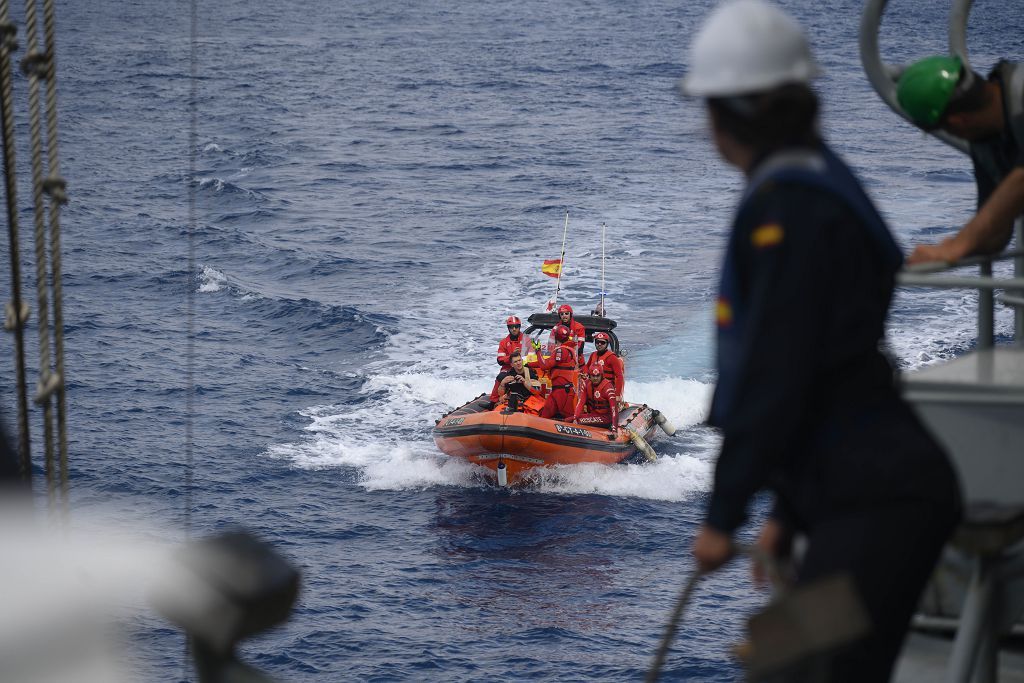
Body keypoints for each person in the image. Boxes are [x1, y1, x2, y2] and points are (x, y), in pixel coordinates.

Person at [679, 1, 962, 679]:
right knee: (780, 664)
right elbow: (827, 369)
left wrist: (724, 516)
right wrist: (787, 508)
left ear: (732, 114)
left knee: (800, 670)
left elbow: (777, 375)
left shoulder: (789, 207)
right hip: (856, 493)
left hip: (878, 501)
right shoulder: (815, 182)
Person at [896, 56, 1024, 264]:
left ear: (958, 122)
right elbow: (995, 234)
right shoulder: (989, 142)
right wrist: (944, 253)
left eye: (942, 128)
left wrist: (958, 246)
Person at [529, 324, 577, 420]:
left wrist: (538, 350)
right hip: (558, 391)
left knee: (570, 419)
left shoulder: (561, 351)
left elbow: (544, 365)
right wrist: (528, 364)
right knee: (543, 417)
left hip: (563, 392)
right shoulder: (568, 350)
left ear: (556, 337)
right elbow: (548, 363)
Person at [570, 364, 618, 436]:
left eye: (598, 376)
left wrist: (614, 429)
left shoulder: (608, 387)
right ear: (589, 376)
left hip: (605, 418)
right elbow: (581, 402)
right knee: (570, 419)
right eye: (593, 376)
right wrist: (575, 417)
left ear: (602, 375)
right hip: (593, 415)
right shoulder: (586, 384)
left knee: (579, 420)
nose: (595, 378)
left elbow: (614, 409)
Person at [489, 315, 524, 404]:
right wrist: (511, 356)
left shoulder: (526, 340)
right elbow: (500, 360)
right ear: (508, 328)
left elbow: (532, 355)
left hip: (523, 367)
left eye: (516, 327)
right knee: (500, 377)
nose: (514, 329)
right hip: (508, 369)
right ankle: (493, 401)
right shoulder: (503, 342)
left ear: (519, 327)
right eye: (512, 327)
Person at [584, 331, 624, 398]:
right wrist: (584, 374)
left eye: (602, 342)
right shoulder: (593, 355)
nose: (599, 344)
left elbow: (619, 376)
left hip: (607, 390)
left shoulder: (612, 357)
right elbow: (587, 368)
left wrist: (617, 395)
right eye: (597, 342)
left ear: (607, 344)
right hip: (593, 389)